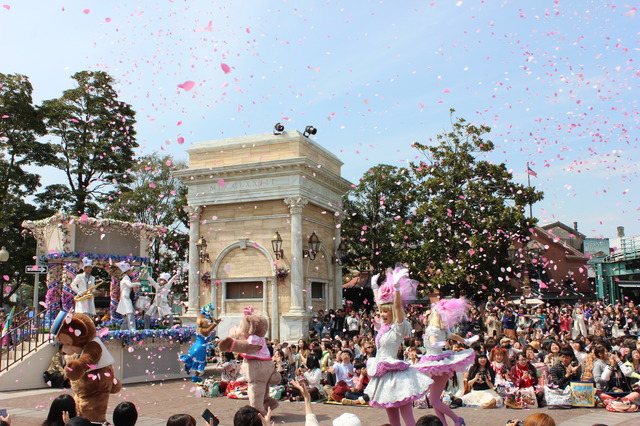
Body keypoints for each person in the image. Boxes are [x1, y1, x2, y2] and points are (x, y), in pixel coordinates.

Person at [364, 266, 433, 426]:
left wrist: (396, 290)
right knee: (392, 418)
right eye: (380, 312)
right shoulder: (383, 327)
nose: (382, 315)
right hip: (383, 375)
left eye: (385, 313)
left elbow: (396, 307)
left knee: (407, 417)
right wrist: (375, 287)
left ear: (393, 313)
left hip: (397, 374)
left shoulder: (398, 328)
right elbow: (380, 303)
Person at [417, 298, 476, 426]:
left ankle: (457, 419)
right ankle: (444, 423)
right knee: (434, 400)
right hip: (437, 362)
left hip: (437, 363)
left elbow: (433, 339)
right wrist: (466, 341)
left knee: (434, 401)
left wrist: (436, 343)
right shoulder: (442, 330)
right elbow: (453, 337)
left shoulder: (433, 329)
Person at [115, 262, 138, 330]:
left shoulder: (125, 277)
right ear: (127, 271)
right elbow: (129, 284)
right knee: (130, 312)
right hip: (125, 297)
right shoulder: (126, 277)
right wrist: (138, 283)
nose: (131, 271)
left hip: (126, 297)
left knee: (129, 313)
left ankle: (122, 329)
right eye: (130, 270)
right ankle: (132, 329)